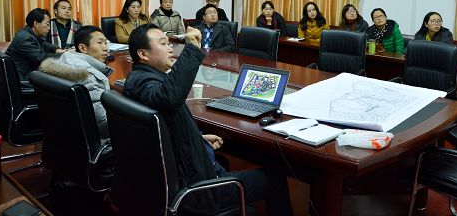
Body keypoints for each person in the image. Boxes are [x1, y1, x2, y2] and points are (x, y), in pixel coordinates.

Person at [123, 24, 293, 215]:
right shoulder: (146, 83)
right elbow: (169, 98)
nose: (170, 48)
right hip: (198, 192)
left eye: (169, 42)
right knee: (276, 177)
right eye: (163, 44)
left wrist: (198, 138)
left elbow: (165, 128)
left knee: (223, 161)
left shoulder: (137, 79)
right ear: (143, 54)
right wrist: (191, 49)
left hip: (178, 176)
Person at [39, 25, 112, 142]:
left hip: (64, 138)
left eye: (105, 43)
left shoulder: (65, 60)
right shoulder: (89, 77)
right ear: (82, 48)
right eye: (99, 43)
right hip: (97, 141)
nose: (105, 48)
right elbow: (103, 123)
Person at [6, 8, 66, 81]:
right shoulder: (25, 38)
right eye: (47, 24)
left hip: (27, 73)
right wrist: (64, 55)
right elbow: (41, 58)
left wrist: (57, 49)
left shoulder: (31, 34)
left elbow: (44, 44)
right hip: (22, 79)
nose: (49, 28)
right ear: (35, 24)